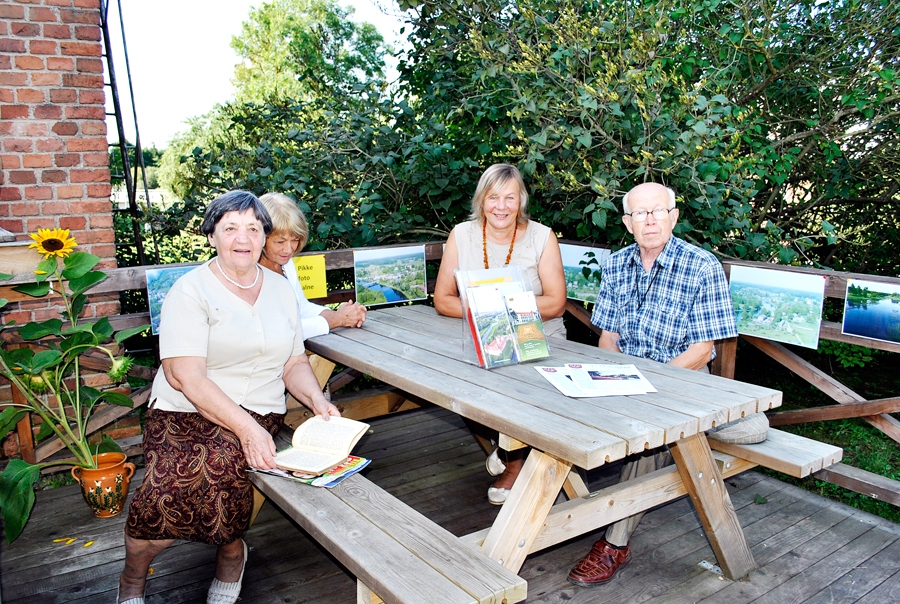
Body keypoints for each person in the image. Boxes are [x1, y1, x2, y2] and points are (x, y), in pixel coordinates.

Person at [117, 191, 340, 604]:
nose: (244, 237)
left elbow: (292, 363)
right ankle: (134, 575)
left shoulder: (279, 289)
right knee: (163, 492)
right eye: (231, 227)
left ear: (262, 235)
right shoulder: (190, 290)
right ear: (212, 236)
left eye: (253, 228)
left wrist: (316, 401)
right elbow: (184, 376)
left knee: (222, 465)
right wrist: (247, 429)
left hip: (259, 409)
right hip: (183, 411)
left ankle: (231, 553)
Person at [566, 182, 767, 588]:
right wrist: (620, 377)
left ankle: (614, 541)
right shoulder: (617, 264)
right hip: (624, 376)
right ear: (627, 223)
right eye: (640, 213)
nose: (650, 220)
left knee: (735, 429)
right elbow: (607, 337)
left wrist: (651, 388)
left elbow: (702, 349)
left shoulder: (702, 264)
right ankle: (557, 497)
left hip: (684, 378)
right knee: (567, 403)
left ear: (674, 216)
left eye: (659, 211)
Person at [434, 163, 567, 505]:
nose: (502, 206)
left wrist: (507, 306)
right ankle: (504, 445)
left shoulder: (542, 236)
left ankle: (515, 461)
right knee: (449, 375)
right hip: (482, 336)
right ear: (482, 200)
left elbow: (555, 303)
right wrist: (485, 310)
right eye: (494, 197)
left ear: (521, 200)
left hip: (538, 336)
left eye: (510, 197)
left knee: (517, 384)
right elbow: (442, 300)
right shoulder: (461, 234)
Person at [258, 192, 366, 338]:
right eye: (280, 242)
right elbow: (281, 331)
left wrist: (345, 314)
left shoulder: (285, 263)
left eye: (295, 239)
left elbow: (302, 308)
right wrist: (338, 320)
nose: (289, 249)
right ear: (260, 237)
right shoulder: (250, 273)